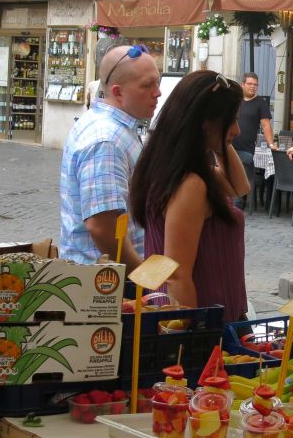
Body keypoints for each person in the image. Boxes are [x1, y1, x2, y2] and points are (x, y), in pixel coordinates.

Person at [130, 71, 250, 324]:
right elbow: (177, 275)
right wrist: (192, 338)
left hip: (212, 317)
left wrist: (221, 140)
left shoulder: (178, 168)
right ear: (206, 122)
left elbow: (239, 187)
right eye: (232, 120)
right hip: (202, 321)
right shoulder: (190, 184)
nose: (237, 130)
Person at [59, 45, 161, 272]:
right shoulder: (106, 139)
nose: (158, 92)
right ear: (117, 92)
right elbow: (102, 227)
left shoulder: (114, 129)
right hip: (105, 287)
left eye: (157, 82)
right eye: (147, 85)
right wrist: (144, 278)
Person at [232, 72, 274, 207]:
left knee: (240, 174)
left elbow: (266, 124)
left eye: (255, 85)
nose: (253, 87)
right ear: (242, 84)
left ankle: (237, 204)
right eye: (250, 84)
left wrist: (271, 144)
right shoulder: (235, 100)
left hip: (246, 150)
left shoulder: (260, 104)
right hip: (228, 146)